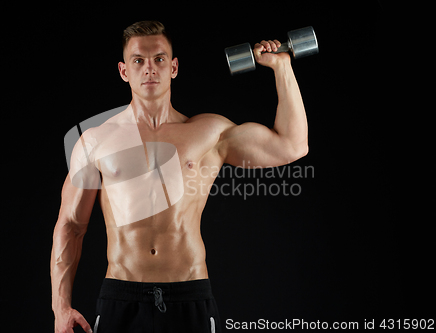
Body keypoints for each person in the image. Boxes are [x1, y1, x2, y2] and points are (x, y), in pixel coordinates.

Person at [51, 20, 308, 333]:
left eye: (159, 59)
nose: (149, 69)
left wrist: (282, 67)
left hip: (190, 296)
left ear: (173, 67)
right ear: (124, 71)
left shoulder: (209, 133)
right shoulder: (94, 142)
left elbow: (292, 145)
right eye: (138, 61)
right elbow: (70, 226)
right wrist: (60, 307)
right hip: (122, 297)